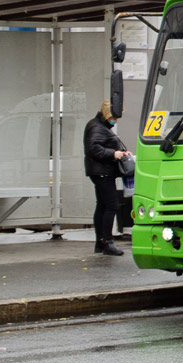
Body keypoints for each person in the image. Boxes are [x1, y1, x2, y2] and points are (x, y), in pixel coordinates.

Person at [84, 100, 128, 256]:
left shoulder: (98, 126)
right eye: (114, 117)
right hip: (102, 172)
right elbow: (94, 148)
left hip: (100, 171)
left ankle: (100, 242)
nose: (115, 121)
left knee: (102, 206)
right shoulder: (97, 127)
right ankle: (107, 242)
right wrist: (114, 154)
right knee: (112, 205)